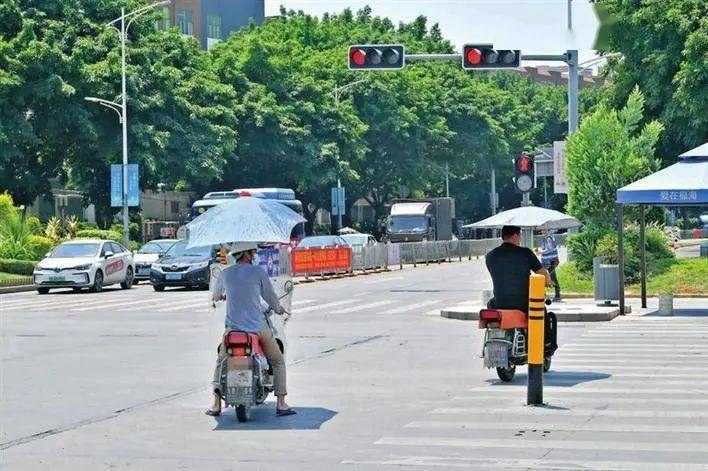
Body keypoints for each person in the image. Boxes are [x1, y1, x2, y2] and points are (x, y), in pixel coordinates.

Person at [206, 242, 296, 417]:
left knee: (220, 361)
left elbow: (215, 296)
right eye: (253, 252)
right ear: (246, 254)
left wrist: (225, 294)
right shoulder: (258, 272)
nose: (254, 255)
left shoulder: (226, 273)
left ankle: (216, 404)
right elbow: (270, 296)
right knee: (277, 361)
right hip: (257, 328)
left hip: (233, 330)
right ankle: (281, 403)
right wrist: (279, 309)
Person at [485, 225, 553, 312]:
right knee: (542, 314)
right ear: (515, 236)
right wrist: (548, 282)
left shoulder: (490, 256)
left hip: (499, 302)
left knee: (490, 304)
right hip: (523, 304)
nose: (521, 238)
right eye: (520, 235)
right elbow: (542, 273)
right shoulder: (526, 253)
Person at [537, 229, 561, 301]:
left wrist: (540, 252)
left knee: (541, 277)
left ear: (547, 230)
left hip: (548, 261)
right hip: (550, 261)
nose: (542, 232)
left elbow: (549, 249)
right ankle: (557, 295)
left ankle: (543, 295)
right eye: (542, 230)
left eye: (543, 230)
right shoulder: (549, 238)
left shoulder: (548, 238)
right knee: (552, 277)